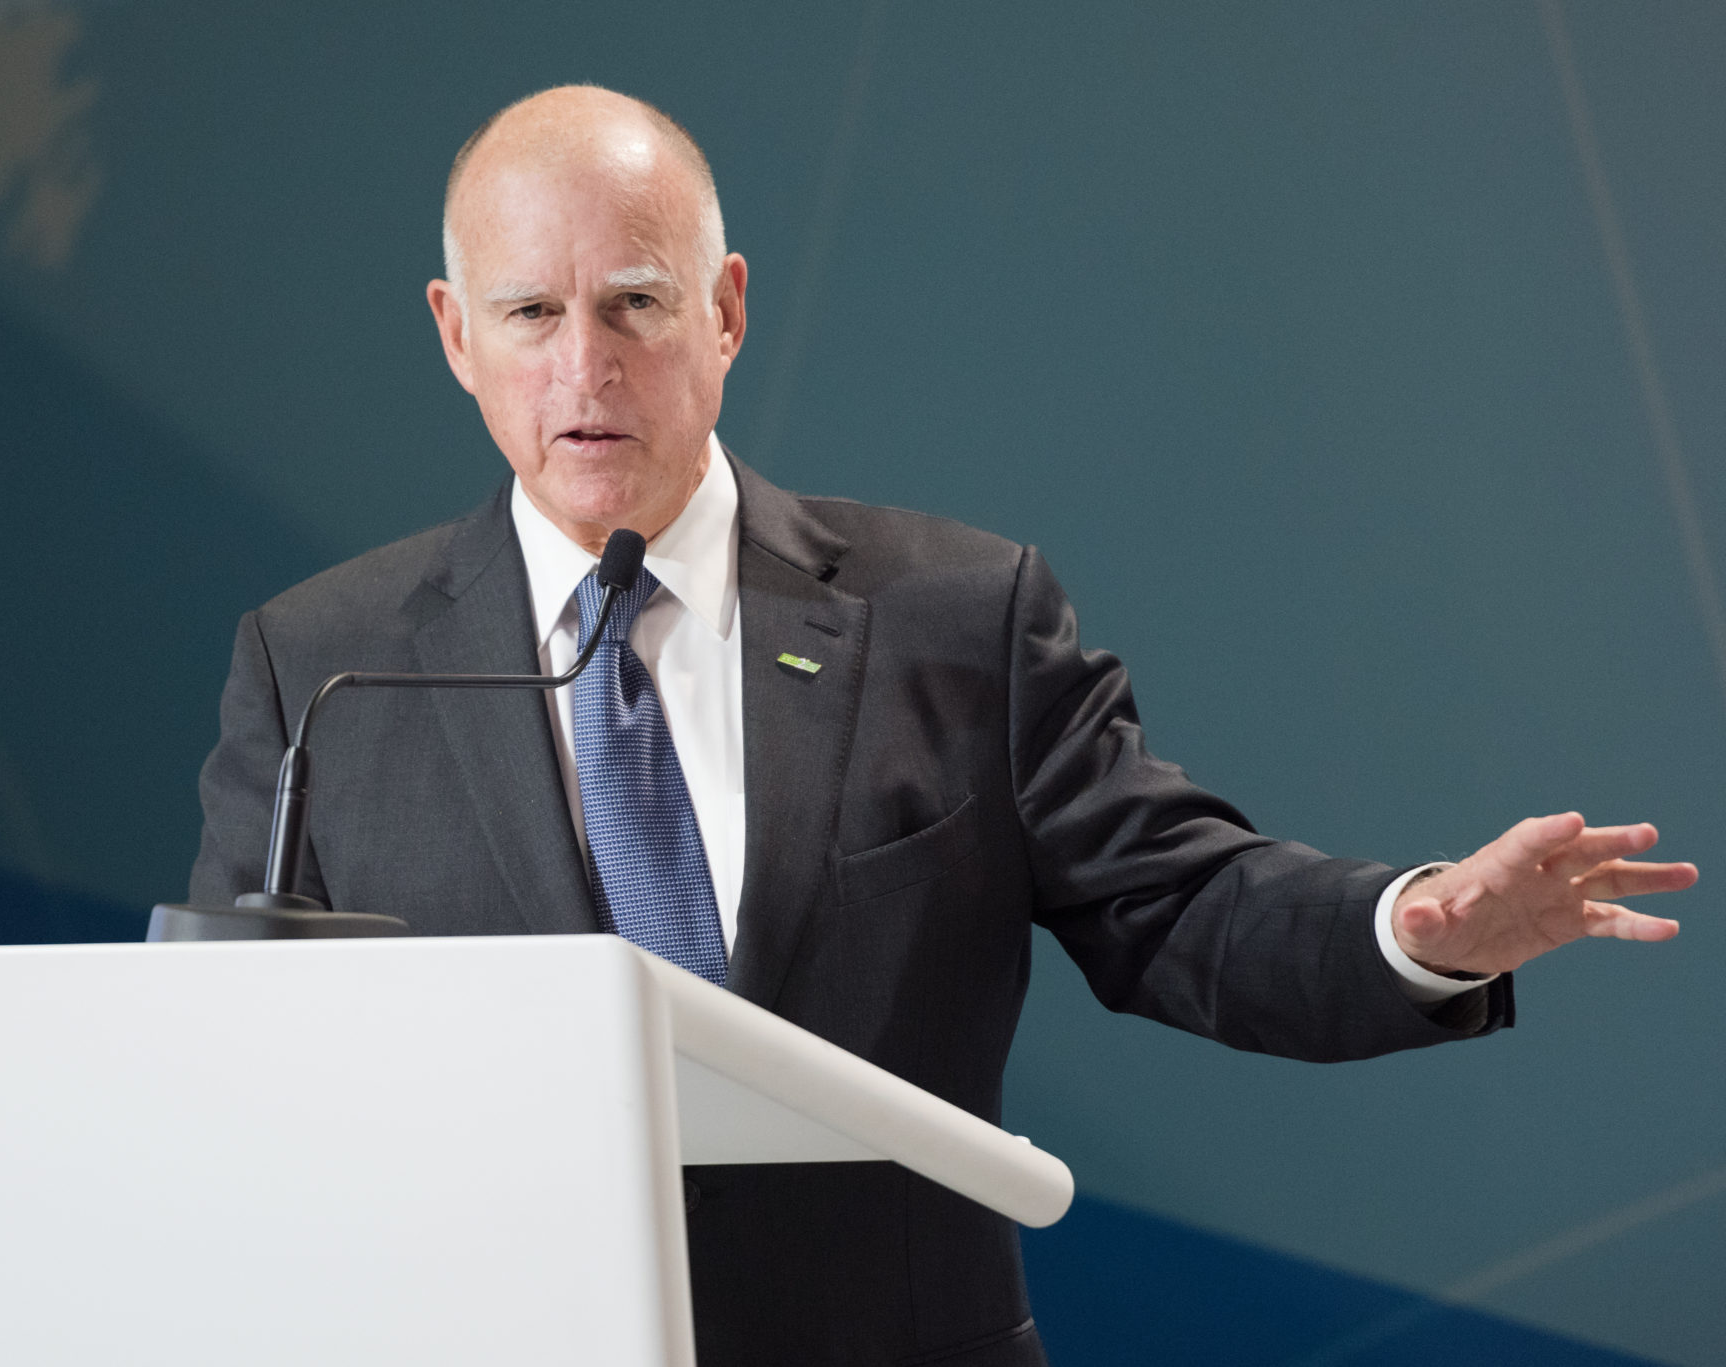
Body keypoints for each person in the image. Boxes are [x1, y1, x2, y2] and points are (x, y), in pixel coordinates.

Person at [190, 85, 1697, 1366]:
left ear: (725, 310)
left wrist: (1416, 928)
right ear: (457, 334)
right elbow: (236, 1094)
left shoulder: (953, 617)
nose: (587, 366)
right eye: (532, 313)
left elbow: (1183, 907)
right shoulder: (320, 669)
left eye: (635, 302)